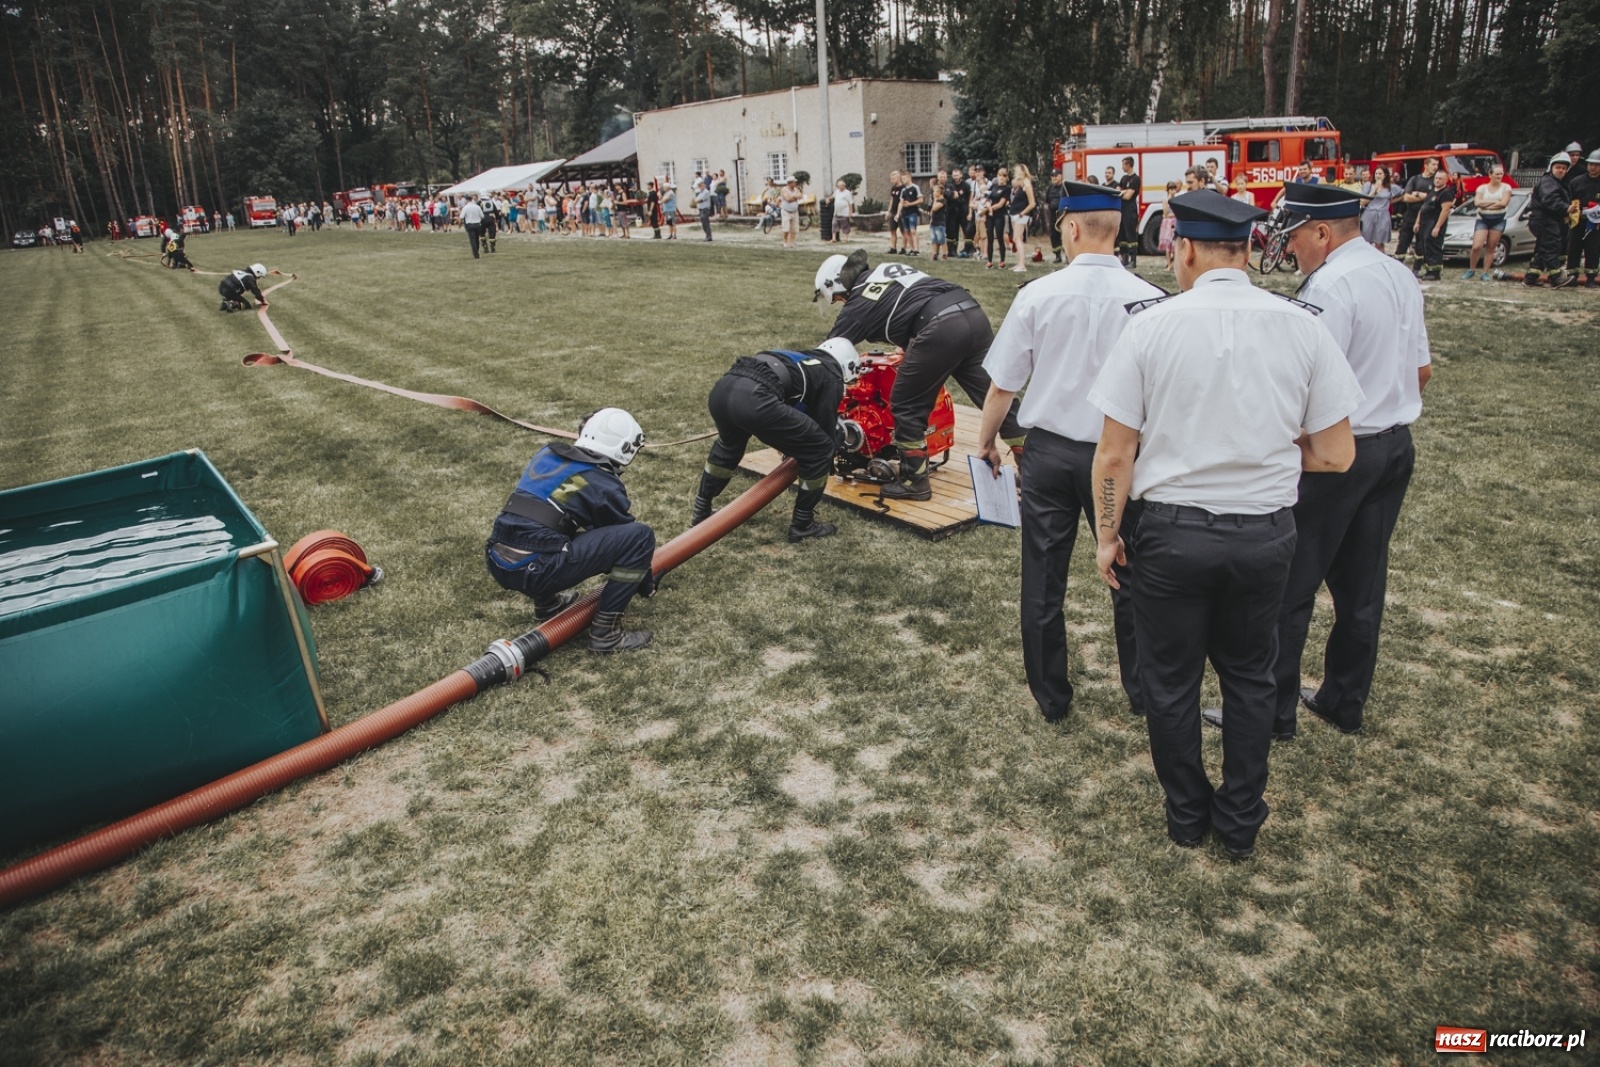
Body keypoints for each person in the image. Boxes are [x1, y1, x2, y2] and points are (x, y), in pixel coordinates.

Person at [1087, 189, 1362, 860]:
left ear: (1183, 249)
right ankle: (1239, 823)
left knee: (1170, 682)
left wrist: (1106, 535)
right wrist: (1265, 449)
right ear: (1246, 250)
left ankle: (1187, 815)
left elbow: (1115, 453)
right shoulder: (1303, 325)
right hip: (1264, 533)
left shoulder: (1150, 326)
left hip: (1171, 534)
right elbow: (1337, 454)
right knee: (1250, 676)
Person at [1216, 180, 1428, 743]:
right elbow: (1422, 371)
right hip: (1392, 445)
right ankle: (1344, 701)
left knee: (1289, 589)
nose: (1289, 249)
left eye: (1294, 237)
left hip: (1337, 453)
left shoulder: (1331, 284)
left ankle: (1272, 713)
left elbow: (1302, 381)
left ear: (1322, 232)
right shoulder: (1399, 273)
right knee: (1362, 587)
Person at [977, 179, 1166, 724]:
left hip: (1052, 454)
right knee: (1131, 573)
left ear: (1074, 228)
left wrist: (986, 440)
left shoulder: (1038, 294)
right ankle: (1143, 691)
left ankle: (1052, 697)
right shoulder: (1152, 300)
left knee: (1043, 578)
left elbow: (1002, 386)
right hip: (1123, 454)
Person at [815, 249, 1025, 499]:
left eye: (838, 298)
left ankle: (914, 480)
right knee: (996, 396)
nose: (841, 303)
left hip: (940, 327)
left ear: (838, 284)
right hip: (972, 315)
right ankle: (1033, 470)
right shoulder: (884, 271)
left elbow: (829, 352)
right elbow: (909, 303)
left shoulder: (860, 300)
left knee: (905, 403)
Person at [485, 408, 656, 653]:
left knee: (550, 526)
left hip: (497, 558)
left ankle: (548, 604)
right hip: (536, 569)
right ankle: (606, 635)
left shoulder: (547, 454)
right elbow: (626, 539)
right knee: (641, 536)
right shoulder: (603, 481)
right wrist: (646, 584)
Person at [692, 338, 860, 541]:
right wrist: (834, 442)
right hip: (755, 399)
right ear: (847, 366)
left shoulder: (800, 357)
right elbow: (823, 433)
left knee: (728, 447)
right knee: (820, 448)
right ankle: (802, 525)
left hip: (723, 389)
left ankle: (701, 510)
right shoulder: (831, 376)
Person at [1525, 153, 1574, 287]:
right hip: (1544, 220)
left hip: (1547, 220)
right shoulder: (1548, 182)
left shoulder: (1558, 183)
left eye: (1564, 168)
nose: (1560, 170)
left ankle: (1530, 278)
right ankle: (1556, 278)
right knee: (1552, 246)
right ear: (1551, 167)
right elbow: (1550, 200)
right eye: (1558, 167)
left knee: (1542, 249)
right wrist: (1566, 208)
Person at [1466, 163, 1512, 278]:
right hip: (1482, 218)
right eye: (1497, 174)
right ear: (1490, 174)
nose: (1500, 176)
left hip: (1499, 219)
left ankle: (1485, 273)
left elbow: (1503, 203)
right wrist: (1495, 202)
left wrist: (1486, 205)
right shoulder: (1482, 188)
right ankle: (1471, 270)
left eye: (1501, 174)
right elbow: (1477, 203)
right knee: (1477, 246)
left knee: (1491, 247)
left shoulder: (1506, 187)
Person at [1563, 149, 1600, 286]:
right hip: (1577, 221)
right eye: (1591, 164)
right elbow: (1568, 199)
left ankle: (1590, 278)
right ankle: (1572, 276)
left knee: (1593, 249)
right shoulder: (1576, 182)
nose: (1593, 167)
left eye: (1596, 165)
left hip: (1595, 224)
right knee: (1573, 248)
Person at [1411, 168, 1455, 281]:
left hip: (1434, 222)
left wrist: (1437, 227)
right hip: (1424, 223)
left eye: (1440, 178)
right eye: (1436, 178)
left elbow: (1445, 211)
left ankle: (1435, 272)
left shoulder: (1446, 193)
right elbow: (1423, 208)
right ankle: (1428, 270)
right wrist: (1417, 222)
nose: (1437, 180)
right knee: (1426, 246)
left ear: (1446, 180)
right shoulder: (1431, 191)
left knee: (1434, 246)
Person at [1393, 157, 1438, 264]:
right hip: (1410, 215)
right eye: (1433, 164)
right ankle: (1398, 263)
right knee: (1403, 240)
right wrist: (1424, 196)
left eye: (1437, 165)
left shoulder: (1436, 180)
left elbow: (1434, 198)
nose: (1436, 167)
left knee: (1421, 244)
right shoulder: (1415, 179)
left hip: (1426, 216)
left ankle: (1417, 267)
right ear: (1426, 165)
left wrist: (1417, 193)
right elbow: (1406, 197)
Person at [1360, 165, 1400, 253]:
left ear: (1385, 175)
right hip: (1369, 214)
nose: (1377, 175)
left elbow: (1403, 194)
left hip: (1383, 215)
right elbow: (1362, 202)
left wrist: (1390, 201)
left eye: (1380, 173)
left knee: (1380, 243)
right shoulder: (1368, 185)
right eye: (1376, 173)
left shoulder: (1390, 187)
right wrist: (1374, 191)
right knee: (1366, 242)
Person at [1009, 164, 1036, 273]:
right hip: (1015, 213)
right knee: (1016, 239)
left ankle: (1022, 265)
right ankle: (1019, 262)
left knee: (1018, 238)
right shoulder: (1020, 184)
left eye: (1017, 171)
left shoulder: (1027, 184)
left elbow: (1032, 203)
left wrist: (1022, 213)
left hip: (1021, 214)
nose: (1016, 173)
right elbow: (1013, 183)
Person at [984, 167, 1011, 268]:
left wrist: (990, 209)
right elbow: (987, 198)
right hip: (990, 215)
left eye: (1004, 176)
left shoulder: (1007, 189)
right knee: (990, 237)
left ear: (1007, 177)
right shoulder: (993, 186)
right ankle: (989, 261)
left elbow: (1001, 204)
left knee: (999, 237)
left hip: (999, 214)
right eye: (999, 175)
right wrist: (988, 207)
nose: (1001, 178)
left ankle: (1002, 260)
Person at [1117, 157, 1142, 267]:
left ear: (1128, 165)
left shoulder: (1135, 179)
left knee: (1130, 235)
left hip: (1130, 210)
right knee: (1122, 235)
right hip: (1122, 210)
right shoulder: (1124, 178)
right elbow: (1118, 190)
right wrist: (1124, 191)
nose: (1122, 167)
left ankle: (1133, 260)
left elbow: (1128, 196)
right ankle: (1125, 258)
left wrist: (1123, 192)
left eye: (1123, 164)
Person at [947, 167, 972, 258]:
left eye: (957, 175)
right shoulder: (950, 185)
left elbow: (969, 198)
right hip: (954, 212)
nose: (956, 177)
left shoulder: (966, 186)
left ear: (961, 175)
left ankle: (968, 249)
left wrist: (969, 211)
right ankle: (953, 250)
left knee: (966, 231)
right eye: (954, 175)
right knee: (954, 232)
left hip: (964, 211)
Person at [1043, 169, 1066, 263]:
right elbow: (1047, 201)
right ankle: (1057, 255)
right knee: (1054, 235)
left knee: (1064, 234)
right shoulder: (1050, 188)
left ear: (1060, 176)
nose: (1054, 178)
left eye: (1056, 176)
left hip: (1063, 214)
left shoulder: (1064, 187)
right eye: (1052, 176)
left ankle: (1068, 255)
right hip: (1053, 213)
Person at [899, 175, 922, 255]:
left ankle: (916, 249)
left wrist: (910, 204)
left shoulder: (915, 187)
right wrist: (899, 212)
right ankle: (912, 249)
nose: (903, 180)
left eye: (904, 178)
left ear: (909, 178)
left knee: (913, 231)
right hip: (904, 213)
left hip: (912, 212)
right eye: (902, 179)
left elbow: (921, 200)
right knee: (907, 231)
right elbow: (901, 202)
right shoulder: (903, 190)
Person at [779, 177, 802, 250]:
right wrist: (795, 197)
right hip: (786, 211)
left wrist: (793, 196)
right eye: (794, 182)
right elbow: (788, 199)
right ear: (790, 183)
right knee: (786, 228)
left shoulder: (796, 189)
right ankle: (785, 242)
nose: (795, 183)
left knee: (794, 229)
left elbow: (800, 196)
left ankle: (792, 243)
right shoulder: (784, 190)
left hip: (795, 211)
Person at [928, 173, 946, 260]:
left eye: (935, 191)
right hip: (934, 222)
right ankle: (935, 253)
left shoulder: (943, 201)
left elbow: (935, 208)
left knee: (941, 239)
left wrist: (935, 199)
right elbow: (932, 211)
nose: (933, 193)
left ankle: (944, 254)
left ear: (939, 192)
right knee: (933, 239)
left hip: (940, 223)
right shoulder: (935, 200)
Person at [830, 179, 853, 244]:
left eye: (841, 186)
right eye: (839, 186)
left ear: (844, 186)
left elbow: (850, 203)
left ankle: (846, 238)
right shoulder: (837, 192)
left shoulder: (847, 193)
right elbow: (833, 196)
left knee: (845, 225)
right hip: (837, 212)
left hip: (844, 213)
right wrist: (829, 198)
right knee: (834, 224)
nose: (840, 187)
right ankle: (834, 238)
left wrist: (850, 212)